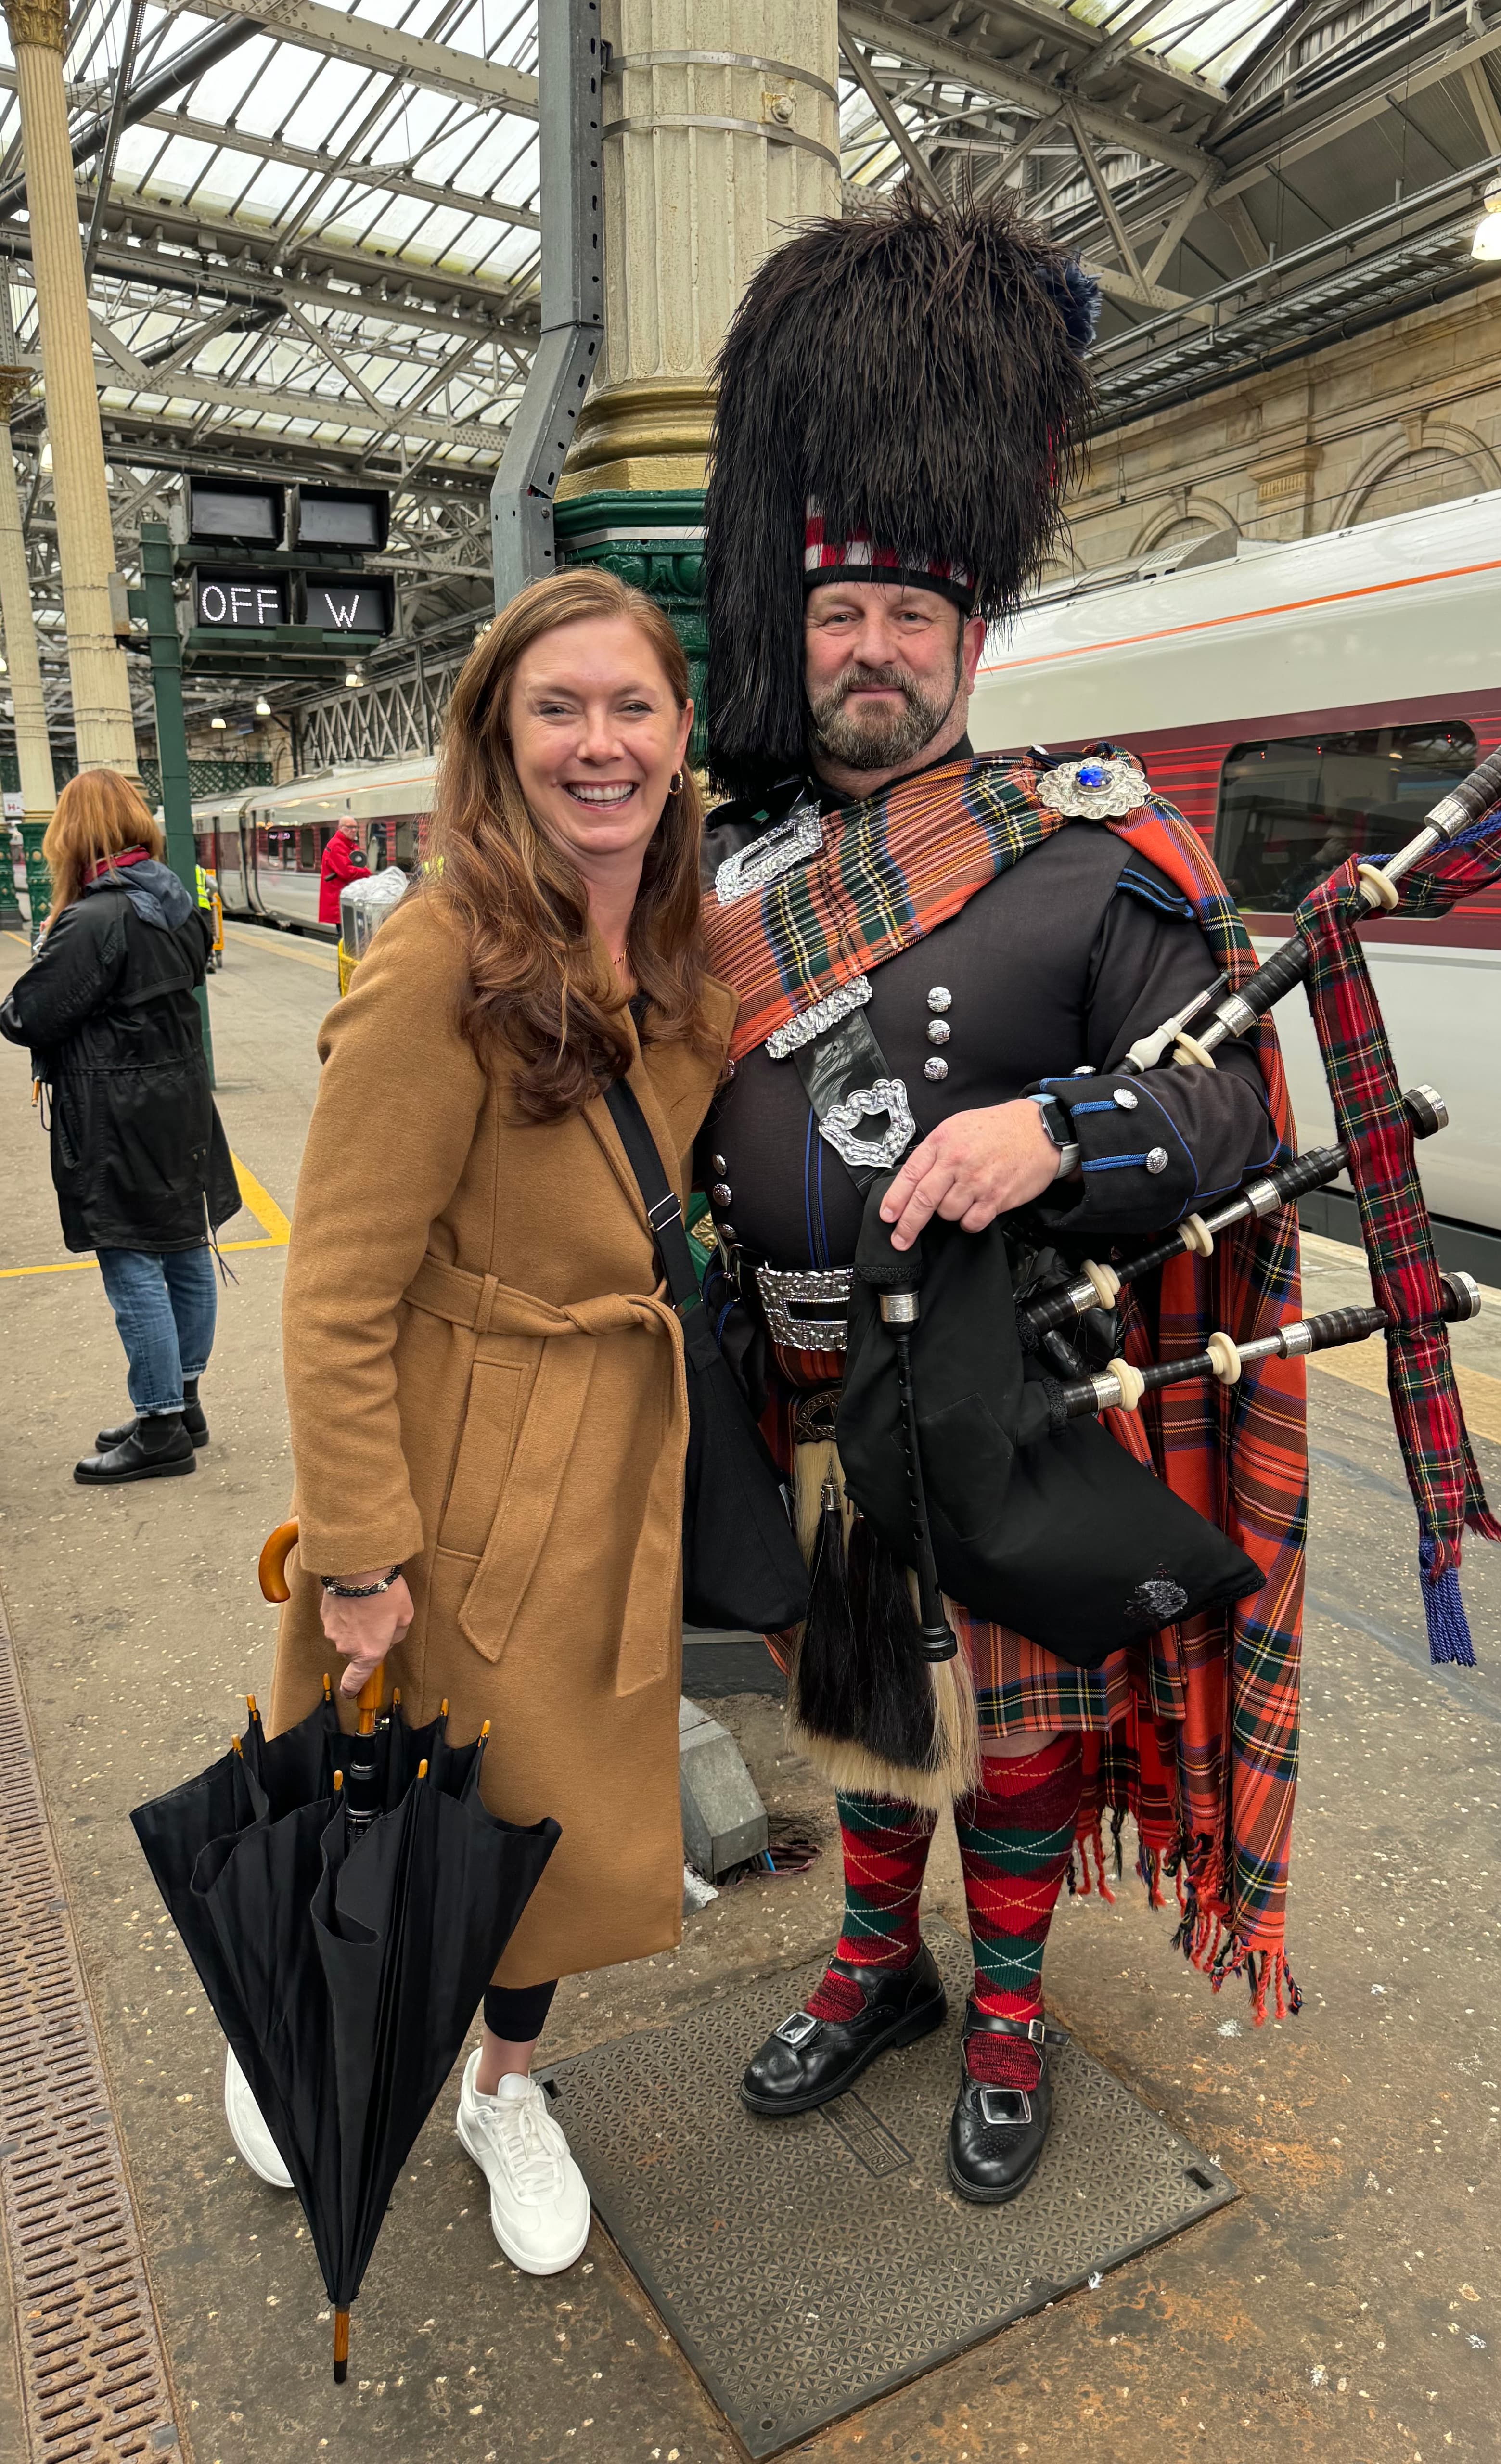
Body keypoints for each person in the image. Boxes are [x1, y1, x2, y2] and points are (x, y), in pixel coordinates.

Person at [696, 192, 1309, 2203]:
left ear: (972, 638)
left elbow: (1229, 1111)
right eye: (841, 615)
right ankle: (880, 1962)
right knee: (864, 1712)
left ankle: (1016, 2005)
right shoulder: (724, 874)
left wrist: (1061, 1132)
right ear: (797, 634)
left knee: (1024, 1731)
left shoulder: (1088, 849)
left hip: (1000, 1386)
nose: (872, 650)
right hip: (801, 1387)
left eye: (912, 615)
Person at [257, 565, 734, 2276]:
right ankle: (307, 2014)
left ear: (678, 735)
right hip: (457, 1468)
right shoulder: (437, 953)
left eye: (632, 706)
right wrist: (356, 1553)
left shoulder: (678, 955)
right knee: (409, 1794)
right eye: (559, 708)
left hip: (613, 1464)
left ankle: (500, 2085)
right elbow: (336, 1287)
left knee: (557, 1825)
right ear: (497, 738)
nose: (599, 743)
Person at [0, 772, 240, 1482]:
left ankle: (160, 1426)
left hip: (118, 1109)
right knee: (184, 1247)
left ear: (72, 835)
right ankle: (184, 1404)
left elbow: (28, 1016)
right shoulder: (175, 902)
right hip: (179, 1099)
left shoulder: (95, 917)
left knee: (131, 1256)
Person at [317, 810, 369, 925]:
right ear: (340, 828)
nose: (353, 830)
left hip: (346, 898)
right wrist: (366, 873)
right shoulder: (337, 845)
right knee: (346, 933)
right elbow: (347, 872)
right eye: (349, 827)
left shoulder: (348, 844)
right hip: (340, 900)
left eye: (355, 827)